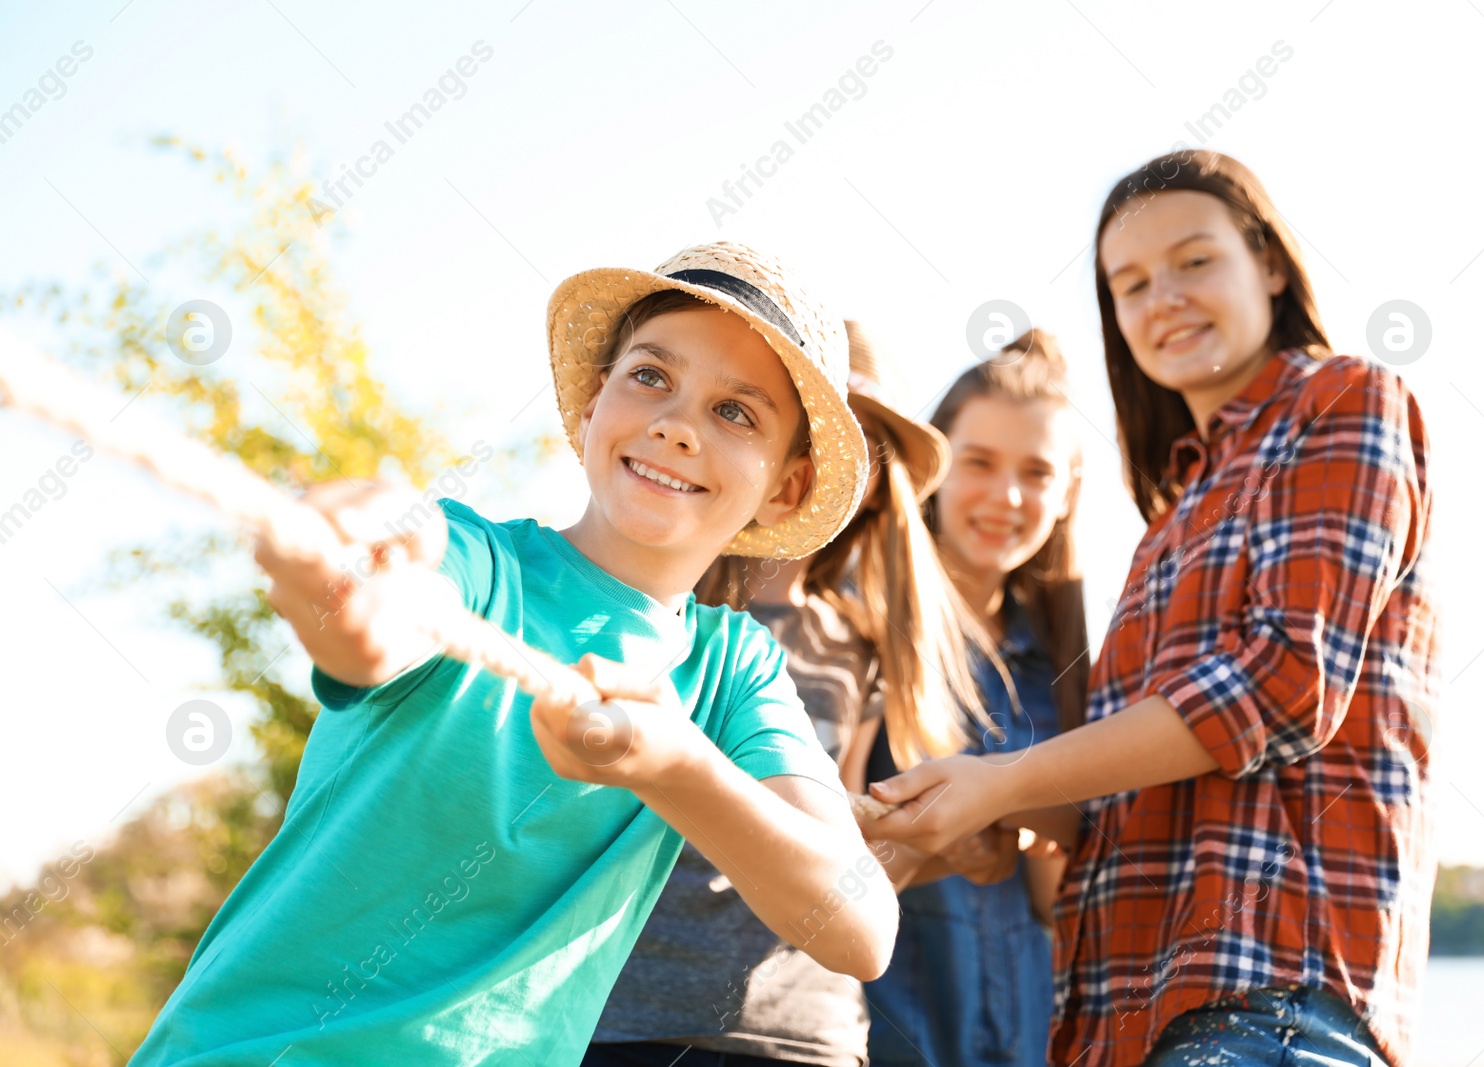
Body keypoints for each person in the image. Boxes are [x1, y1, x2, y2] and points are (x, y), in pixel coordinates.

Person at [128, 242, 900, 1066]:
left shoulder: (732, 671)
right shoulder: (476, 561)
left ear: (785, 486)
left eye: (737, 411)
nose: (676, 424)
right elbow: (375, 622)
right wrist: (358, 562)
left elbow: (859, 927)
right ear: (593, 401)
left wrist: (674, 768)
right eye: (650, 376)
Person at [865, 150, 1440, 1067]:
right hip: (1129, 1019)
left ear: (1271, 264)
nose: (1161, 297)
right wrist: (976, 817)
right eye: (1128, 284)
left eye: (1195, 260)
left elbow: (1285, 684)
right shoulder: (1171, 516)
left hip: (1272, 999)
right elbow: (1135, 790)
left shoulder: (1342, 400)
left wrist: (1006, 779)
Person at [585, 319, 994, 1067]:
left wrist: (938, 840)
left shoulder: (868, 645)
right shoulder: (659, 614)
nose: (844, 457)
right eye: (825, 424)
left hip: (795, 1027)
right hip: (623, 1009)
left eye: (864, 440)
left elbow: (836, 837)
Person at [863, 329, 1090, 1067]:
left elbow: (1062, 897)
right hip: (882, 1042)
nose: (1007, 496)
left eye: (1036, 472)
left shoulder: (1068, 666)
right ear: (932, 469)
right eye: (980, 464)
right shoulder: (857, 626)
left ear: (1067, 493)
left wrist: (1024, 822)